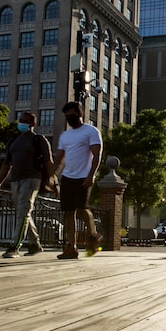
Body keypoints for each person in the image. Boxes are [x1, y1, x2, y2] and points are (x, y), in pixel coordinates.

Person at [0, 112, 54, 258]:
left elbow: (48, 162)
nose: (21, 123)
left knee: (23, 211)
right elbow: (6, 164)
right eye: (20, 121)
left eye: (25, 121)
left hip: (33, 178)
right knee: (24, 212)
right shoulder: (13, 141)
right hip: (16, 180)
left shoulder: (39, 140)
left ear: (33, 124)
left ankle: (15, 246)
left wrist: (53, 182)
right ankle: (35, 244)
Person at [51, 102, 103, 259]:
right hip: (67, 177)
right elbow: (59, 158)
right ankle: (71, 247)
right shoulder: (65, 135)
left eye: (72, 115)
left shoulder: (91, 131)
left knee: (82, 208)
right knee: (68, 212)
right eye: (67, 117)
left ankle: (93, 235)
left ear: (80, 114)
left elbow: (97, 155)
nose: (70, 119)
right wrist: (51, 177)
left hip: (83, 177)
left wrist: (91, 175)